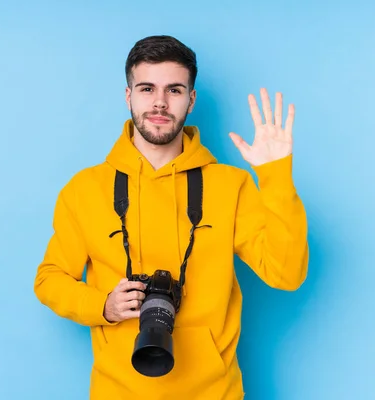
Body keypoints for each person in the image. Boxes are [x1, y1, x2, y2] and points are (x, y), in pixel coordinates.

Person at [34, 35, 309, 400]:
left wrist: (274, 175)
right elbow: (49, 279)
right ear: (128, 95)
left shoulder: (232, 185)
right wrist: (104, 306)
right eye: (147, 88)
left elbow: (286, 274)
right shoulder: (85, 189)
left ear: (191, 100)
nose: (160, 102)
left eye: (174, 90)